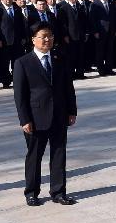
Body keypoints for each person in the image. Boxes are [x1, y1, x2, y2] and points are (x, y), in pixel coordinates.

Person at [13, 23, 78, 207]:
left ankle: (58, 192)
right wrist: (24, 119)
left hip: (59, 114)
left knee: (59, 154)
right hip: (35, 118)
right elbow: (20, 95)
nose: (47, 39)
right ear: (33, 39)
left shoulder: (59, 58)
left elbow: (68, 87)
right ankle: (32, 192)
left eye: (50, 36)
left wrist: (72, 111)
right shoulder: (23, 62)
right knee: (34, 156)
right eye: (43, 36)